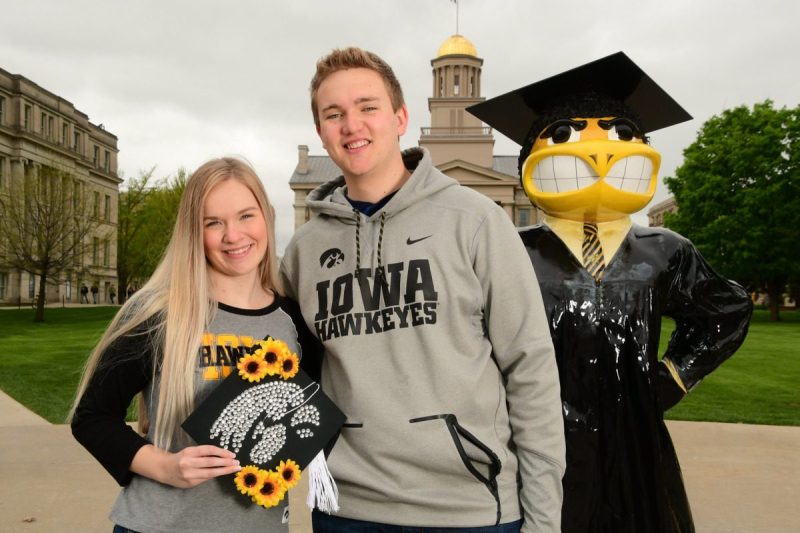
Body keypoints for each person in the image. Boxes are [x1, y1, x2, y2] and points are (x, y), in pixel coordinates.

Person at [280, 47, 565, 532]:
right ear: (321, 133)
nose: (352, 125)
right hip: (347, 512)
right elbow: (273, 360)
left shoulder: (477, 219)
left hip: (471, 510)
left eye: (368, 107)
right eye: (335, 114)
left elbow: (530, 371)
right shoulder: (304, 251)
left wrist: (544, 522)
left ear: (400, 116)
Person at [468, 52, 753, 533]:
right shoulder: (512, 251)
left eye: (621, 134)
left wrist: (674, 375)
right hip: (541, 433)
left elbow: (725, 309)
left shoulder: (664, 250)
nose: (600, 152)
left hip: (636, 435)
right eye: (564, 135)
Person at [71, 157, 321, 533]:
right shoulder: (160, 312)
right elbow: (91, 417)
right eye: (213, 223)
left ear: (267, 217)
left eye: (245, 216)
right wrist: (166, 467)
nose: (233, 235)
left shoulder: (293, 319)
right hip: (159, 524)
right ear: (194, 231)